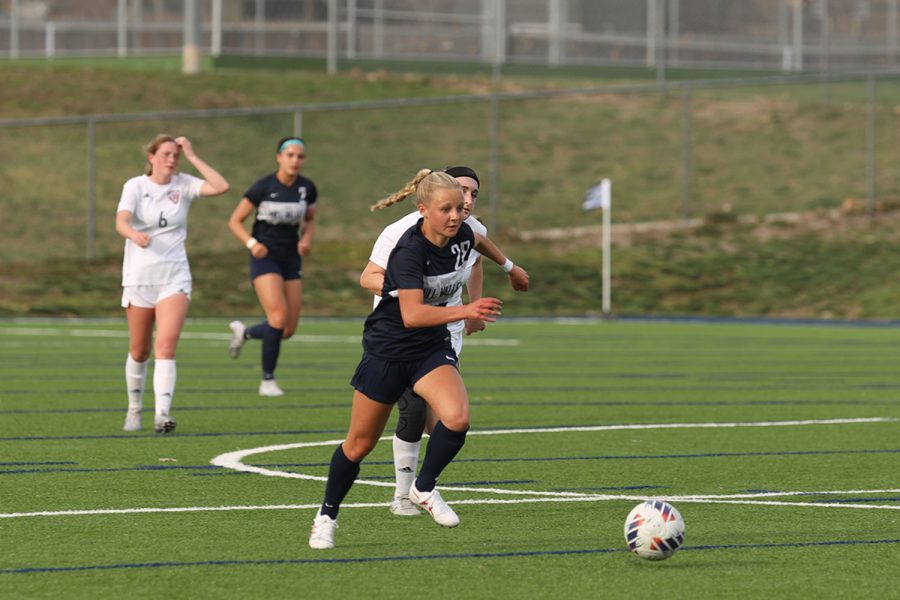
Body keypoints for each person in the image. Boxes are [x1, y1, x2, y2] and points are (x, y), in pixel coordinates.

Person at [309, 169, 511, 549]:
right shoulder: (408, 250)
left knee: (457, 419)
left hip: (429, 349)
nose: (456, 215)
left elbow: (481, 242)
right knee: (358, 445)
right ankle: (326, 516)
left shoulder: (463, 232)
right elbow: (412, 315)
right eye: (446, 209)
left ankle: (423, 488)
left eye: (459, 207)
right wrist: (467, 311)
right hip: (388, 350)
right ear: (423, 211)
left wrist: (513, 269)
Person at [358, 166, 529, 517]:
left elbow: (475, 256)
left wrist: (476, 307)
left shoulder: (468, 229)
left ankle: (422, 487)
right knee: (414, 409)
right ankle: (403, 495)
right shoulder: (401, 232)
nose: (466, 200)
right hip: (400, 331)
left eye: (473, 194)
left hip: (443, 330)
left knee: (445, 422)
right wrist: (409, 293)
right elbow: (367, 277)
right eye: (461, 191)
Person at [116, 134, 230, 433]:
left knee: (165, 345)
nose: (171, 159)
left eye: (175, 155)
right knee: (139, 351)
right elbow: (121, 221)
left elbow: (221, 186)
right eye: (165, 154)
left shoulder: (184, 184)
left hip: (174, 277)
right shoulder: (135, 186)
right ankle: (134, 408)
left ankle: (162, 414)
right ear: (151, 157)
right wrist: (133, 234)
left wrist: (193, 156)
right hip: (139, 278)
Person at [226, 136, 318, 397]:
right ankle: (267, 380)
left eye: (300, 156)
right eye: (290, 155)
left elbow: (310, 219)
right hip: (264, 257)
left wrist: (307, 239)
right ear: (279, 157)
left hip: (291, 258)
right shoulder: (263, 187)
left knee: (287, 329)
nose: (295, 160)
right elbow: (235, 221)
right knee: (277, 318)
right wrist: (252, 243)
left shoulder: (307, 188)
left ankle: (245, 333)